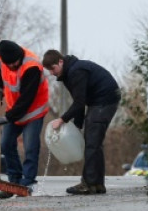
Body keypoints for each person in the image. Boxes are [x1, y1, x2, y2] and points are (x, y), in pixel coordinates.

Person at [42, 49, 121, 195]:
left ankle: (89, 184)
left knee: (92, 142)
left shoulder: (76, 71)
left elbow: (79, 102)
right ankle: (97, 184)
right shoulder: (68, 73)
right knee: (94, 142)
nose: (52, 73)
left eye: (52, 68)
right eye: (49, 70)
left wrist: (62, 119)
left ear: (60, 62)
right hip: (98, 102)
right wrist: (77, 126)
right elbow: (79, 101)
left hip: (105, 100)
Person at [0, 39, 50, 199]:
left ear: (19, 57)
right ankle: (14, 183)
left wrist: (7, 118)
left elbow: (27, 99)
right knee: (6, 144)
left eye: (14, 63)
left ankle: (27, 184)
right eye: (8, 64)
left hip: (33, 111)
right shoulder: (2, 57)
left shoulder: (32, 67)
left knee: (30, 146)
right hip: (14, 109)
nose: (11, 66)